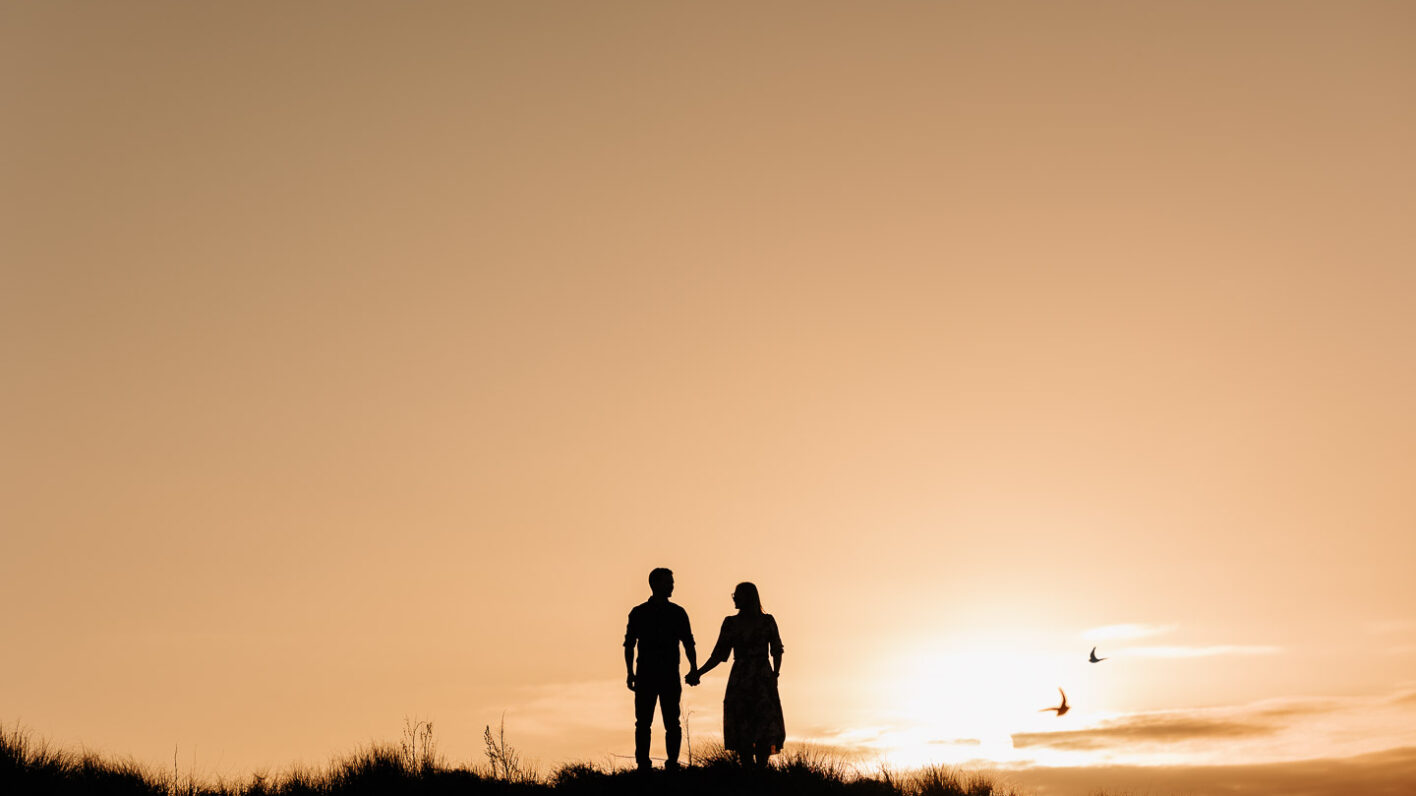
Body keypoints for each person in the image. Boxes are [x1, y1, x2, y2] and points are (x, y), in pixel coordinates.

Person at [685, 582, 784, 768]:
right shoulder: (730, 623)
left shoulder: (767, 621)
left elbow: (777, 649)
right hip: (742, 679)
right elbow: (719, 654)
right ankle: (748, 769)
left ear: (748, 597)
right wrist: (699, 672)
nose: (734, 598)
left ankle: (760, 770)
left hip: (761, 678)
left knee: (764, 724)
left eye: (737, 595)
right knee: (742, 725)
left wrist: (775, 675)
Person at [624, 567, 697, 771]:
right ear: (655, 584)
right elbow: (629, 644)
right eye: (668, 582)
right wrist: (630, 672)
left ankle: (672, 763)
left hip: (669, 675)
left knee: (672, 722)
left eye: (671, 582)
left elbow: (688, 643)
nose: (672, 585)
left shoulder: (677, 613)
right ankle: (643, 764)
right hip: (646, 674)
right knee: (643, 722)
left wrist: (693, 667)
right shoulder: (639, 613)